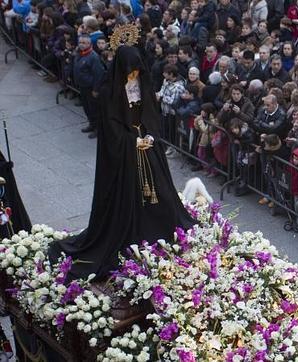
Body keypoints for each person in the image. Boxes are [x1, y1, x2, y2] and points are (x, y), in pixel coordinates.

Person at [49, 45, 196, 280]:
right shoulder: (110, 91)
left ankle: (163, 230)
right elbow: (109, 127)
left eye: (136, 71)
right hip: (125, 154)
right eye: (130, 72)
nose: (133, 76)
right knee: (129, 196)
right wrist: (132, 142)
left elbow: (151, 114)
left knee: (162, 193)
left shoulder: (143, 84)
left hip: (147, 147)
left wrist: (150, 135)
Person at [74, 34, 105, 139]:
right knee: (86, 107)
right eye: (80, 42)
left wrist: (96, 89)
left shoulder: (93, 57)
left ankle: (98, 129)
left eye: (84, 43)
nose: (81, 45)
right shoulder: (80, 53)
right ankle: (91, 124)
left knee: (94, 109)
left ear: (89, 44)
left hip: (91, 88)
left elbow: (98, 74)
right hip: (82, 86)